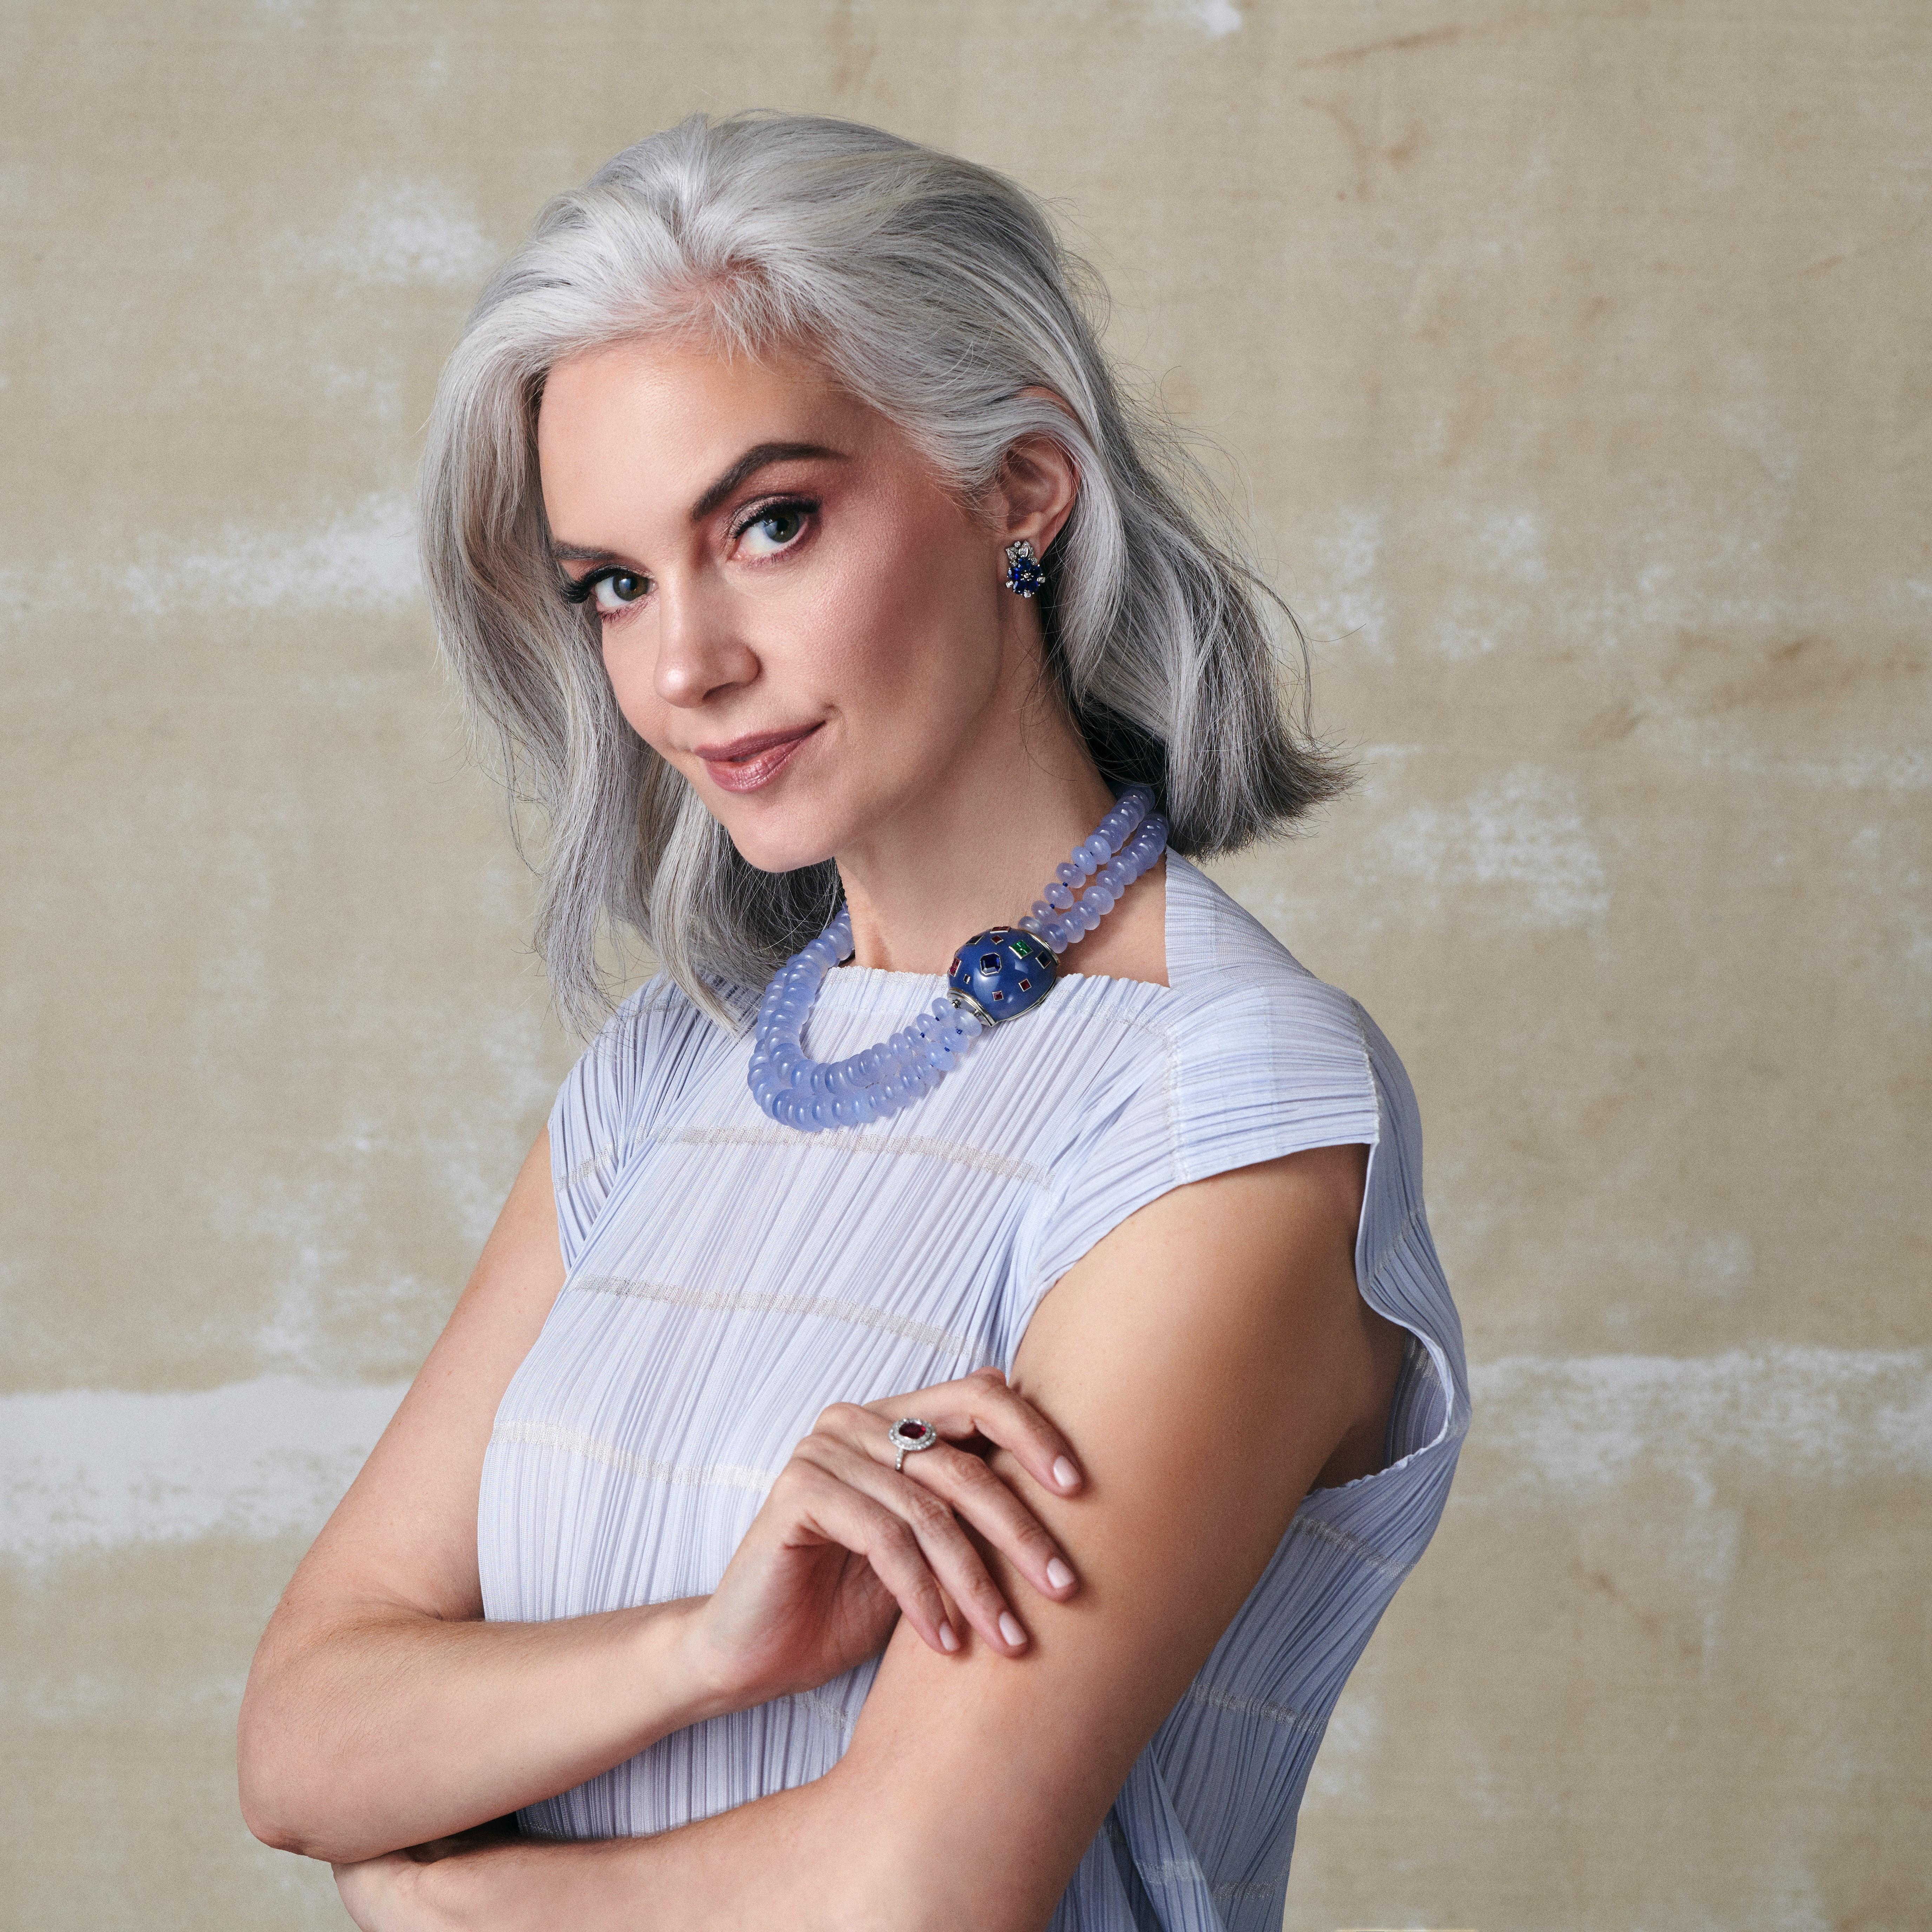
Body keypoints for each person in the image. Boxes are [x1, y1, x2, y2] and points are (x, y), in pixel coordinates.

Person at [237, 112, 1469, 1932]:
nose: (684, 666)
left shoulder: (1224, 1114)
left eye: (771, 522)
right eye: (616, 583)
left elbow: (911, 1888)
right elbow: (303, 1738)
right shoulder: (665, 1082)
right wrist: (708, 1650)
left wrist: (473, 1902)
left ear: (1019, 486)